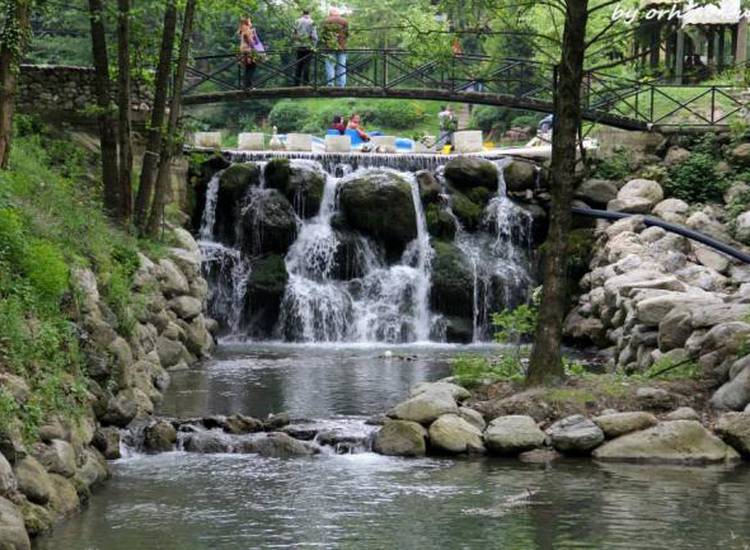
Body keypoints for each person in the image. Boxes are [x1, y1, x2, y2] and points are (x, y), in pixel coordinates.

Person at [321, 7, 349, 88]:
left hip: (329, 47)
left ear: (330, 13)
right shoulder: (344, 21)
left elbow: (323, 35)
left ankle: (330, 84)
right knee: (342, 66)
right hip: (342, 46)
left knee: (330, 66)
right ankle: (341, 85)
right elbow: (346, 34)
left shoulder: (326, 21)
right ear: (338, 13)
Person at [293, 9, 318, 86]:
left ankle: (296, 83)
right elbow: (314, 36)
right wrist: (314, 46)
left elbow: (293, 34)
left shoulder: (297, 21)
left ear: (302, 13)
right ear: (309, 13)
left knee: (299, 64)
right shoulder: (312, 22)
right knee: (307, 64)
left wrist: (296, 42)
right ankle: (306, 83)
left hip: (299, 46)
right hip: (308, 46)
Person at [238, 18, 264, 89]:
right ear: (246, 24)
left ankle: (247, 85)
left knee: (248, 69)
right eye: (249, 22)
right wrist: (257, 51)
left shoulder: (243, 31)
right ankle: (247, 86)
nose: (251, 23)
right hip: (248, 51)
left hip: (244, 51)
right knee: (251, 68)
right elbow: (251, 42)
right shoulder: (247, 32)